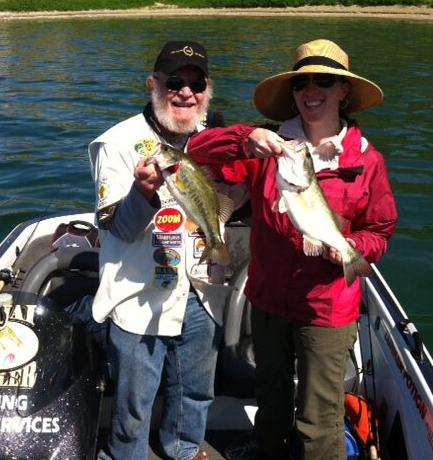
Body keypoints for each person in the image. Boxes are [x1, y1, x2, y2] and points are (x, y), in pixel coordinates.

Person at [187, 39, 398, 460]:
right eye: (302, 83)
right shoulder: (272, 148)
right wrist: (247, 139)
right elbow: (195, 152)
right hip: (267, 299)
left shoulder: (366, 159)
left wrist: (354, 248)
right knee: (271, 399)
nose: (311, 91)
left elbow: (380, 229)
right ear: (293, 93)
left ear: (343, 92)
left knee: (319, 418)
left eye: (325, 81)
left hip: (327, 307)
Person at [88, 41, 228, 460]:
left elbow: (233, 197)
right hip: (138, 293)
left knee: (196, 392)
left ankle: (182, 450)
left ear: (208, 90)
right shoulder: (117, 143)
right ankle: (126, 455)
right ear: (153, 84)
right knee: (133, 403)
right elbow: (119, 227)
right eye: (174, 82)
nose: (186, 93)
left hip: (202, 288)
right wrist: (142, 193)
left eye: (196, 83)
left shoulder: (217, 139)